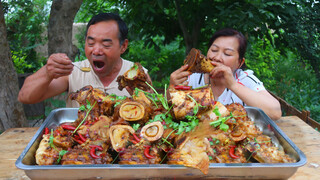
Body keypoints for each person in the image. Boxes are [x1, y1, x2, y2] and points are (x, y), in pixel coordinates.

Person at [18, 13, 151, 107]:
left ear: (123, 46)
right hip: (79, 143)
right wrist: (47, 72)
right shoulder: (73, 72)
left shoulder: (137, 75)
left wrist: (146, 101)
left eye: (106, 45)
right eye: (91, 43)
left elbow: (155, 112)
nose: (96, 51)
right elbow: (25, 97)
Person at [170, 28, 282, 120]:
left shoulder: (244, 79)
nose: (217, 58)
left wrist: (233, 85)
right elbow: (172, 112)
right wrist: (172, 88)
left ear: (240, 63)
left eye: (227, 54)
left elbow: (275, 113)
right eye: (214, 50)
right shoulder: (193, 78)